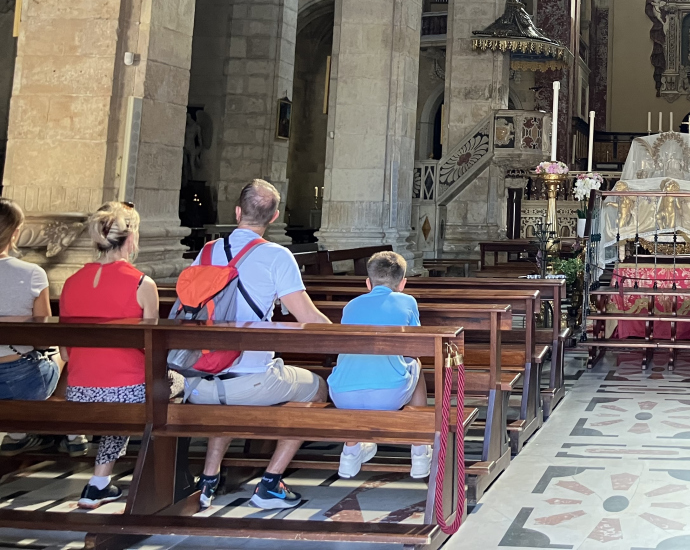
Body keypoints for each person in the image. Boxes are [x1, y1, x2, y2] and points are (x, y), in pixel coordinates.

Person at [187, 179, 332, 511]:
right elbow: (307, 317)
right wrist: (349, 340)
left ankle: (208, 480)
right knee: (317, 389)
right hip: (251, 382)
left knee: (226, 387)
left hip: (198, 381)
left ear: (238, 212)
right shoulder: (276, 256)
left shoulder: (207, 251)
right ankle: (270, 482)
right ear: (274, 217)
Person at [59, 202, 160, 509]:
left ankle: (100, 483)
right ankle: (161, 478)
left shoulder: (70, 283)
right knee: (179, 386)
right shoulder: (143, 284)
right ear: (131, 238)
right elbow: (152, 351)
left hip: (79, 390)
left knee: (122, 400)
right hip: (126, 391)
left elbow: (64, 352)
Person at [327, 251, 432, 480]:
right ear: (403, 283)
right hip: (387, 396)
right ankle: (420, 450)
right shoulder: (407, 301)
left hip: (342, 396)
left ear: (368, 283)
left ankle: (350, 453)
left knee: (355, 368)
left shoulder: (351, 306)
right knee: (416, 363)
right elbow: (415, 347)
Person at [0, 199, 88, 458]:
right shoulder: (32, 274)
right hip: (22, 382)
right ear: (16, 232)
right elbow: (44, 336)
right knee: (68, 354)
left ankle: (17, 436)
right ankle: (73, 433)